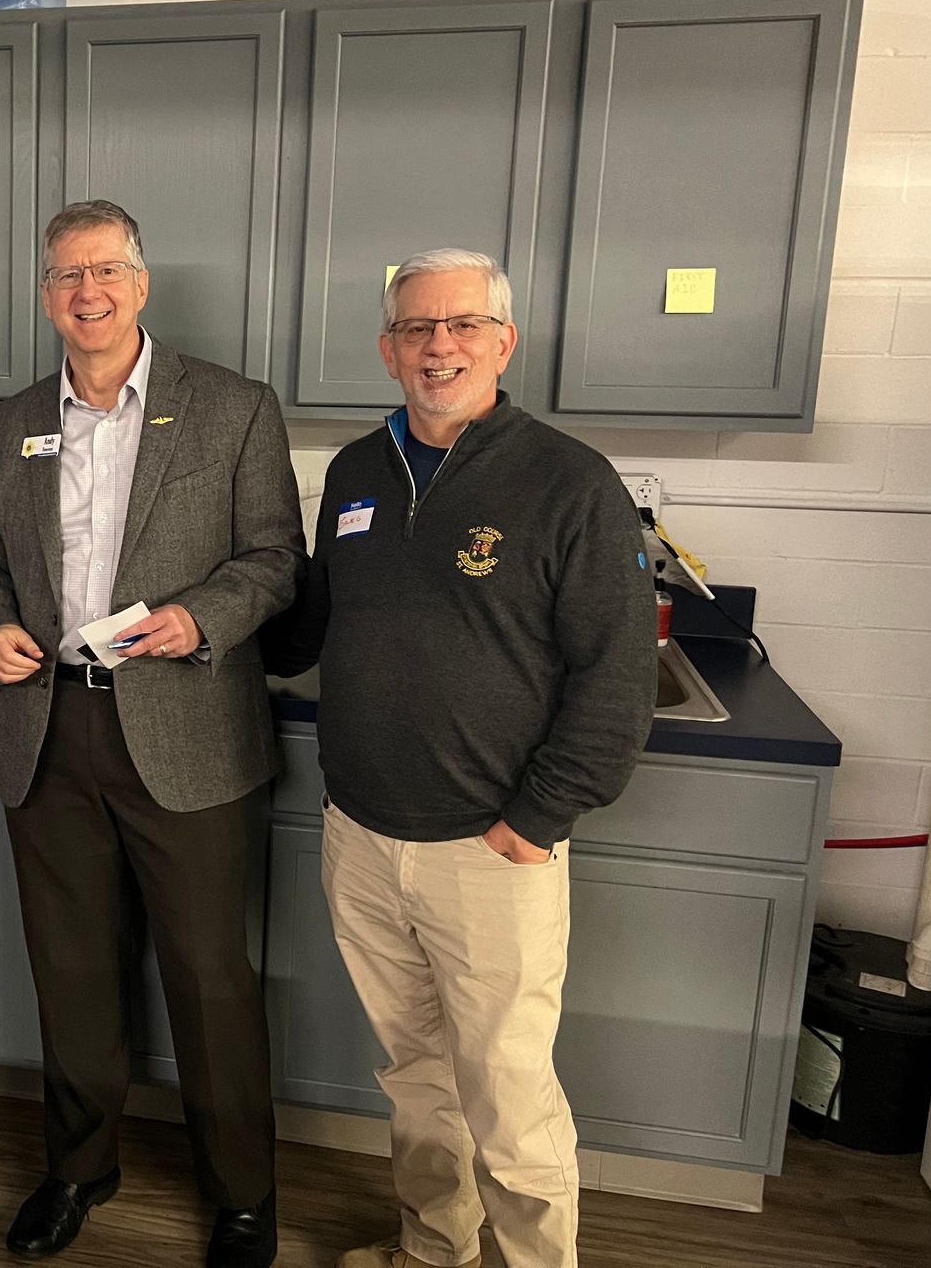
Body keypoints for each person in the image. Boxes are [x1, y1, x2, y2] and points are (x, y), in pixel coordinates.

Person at [265, 248, 656, 1268]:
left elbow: (615, 677)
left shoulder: (569, 481)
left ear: (502, 341)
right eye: (417, 330)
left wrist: (535, 822)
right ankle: (432, 1250)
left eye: (463, 326)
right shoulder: (355, 470)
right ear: (387, 349)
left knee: (510, 1101)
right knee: (417, 1078)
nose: (440, 346)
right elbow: (312, 620)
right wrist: (201, 616)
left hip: (492, 852)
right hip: (359, 834)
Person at [0, 200, 303, 1268]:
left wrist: (204, 617)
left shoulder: (232, 408)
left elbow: (276, 558)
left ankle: (243, 1196)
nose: (87, 293)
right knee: (70, 970)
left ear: (141, 284)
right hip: (46, 731)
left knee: (209, 978)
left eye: (105, 271)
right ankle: (78, 1169)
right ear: (46, 293)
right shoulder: (8, 419)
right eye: (66, 276)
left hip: (186, 729)